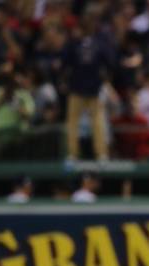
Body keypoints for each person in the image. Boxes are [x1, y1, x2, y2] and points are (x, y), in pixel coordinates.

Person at [64, 10, 114, 162]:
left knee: (95, 122)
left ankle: (99, 153)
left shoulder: (88, 43)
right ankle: (76, 154)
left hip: (88, 87)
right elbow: (65, 62)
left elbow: (111, 63)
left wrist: (105, 79)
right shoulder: (78, 43)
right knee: (77, 122)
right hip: (81, 87)